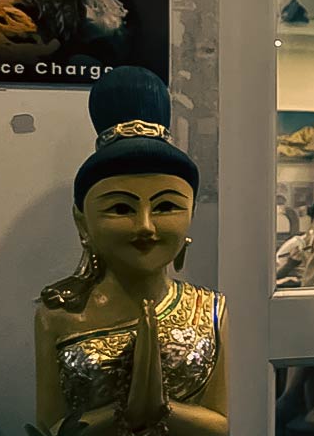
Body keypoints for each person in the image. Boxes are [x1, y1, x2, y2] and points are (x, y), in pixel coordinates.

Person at [33, 66, 228, 434]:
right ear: (82, 222)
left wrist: (162, 409)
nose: (146, 226)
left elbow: (225, 424)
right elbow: (49, 427)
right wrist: (126, 412)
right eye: (121, 208)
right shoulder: (58, 314)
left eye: (167, 206)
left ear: (191, 214)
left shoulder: (214, 311)